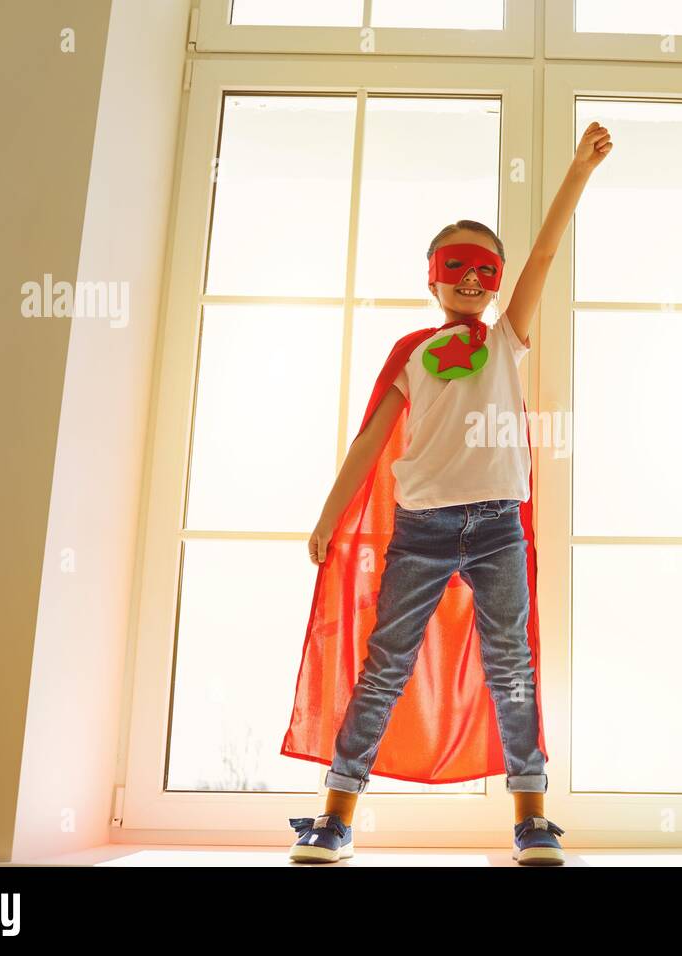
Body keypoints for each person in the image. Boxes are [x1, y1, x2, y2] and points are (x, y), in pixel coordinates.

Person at [284, 122, 614, 865]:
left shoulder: (505, 340)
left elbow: (544, 253)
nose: (472, 279)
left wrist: (576, 172)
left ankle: (532, 819)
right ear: (431, 275)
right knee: (386, 664)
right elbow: (369, 441)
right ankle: (336, 817)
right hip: (423, 528)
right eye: (456, 265)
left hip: (497, 526)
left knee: (510, 665)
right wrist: (326, 519)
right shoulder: (413, 353)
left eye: (485, 269)